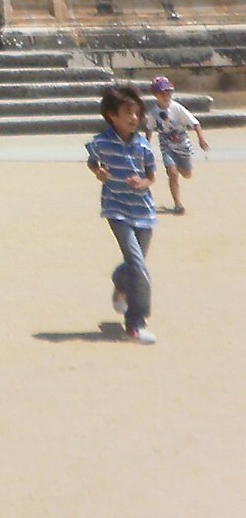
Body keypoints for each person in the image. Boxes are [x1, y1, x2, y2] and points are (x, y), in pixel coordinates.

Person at [87, 84, 159, 342]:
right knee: (138, 265)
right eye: (128, 113)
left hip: (144, 212)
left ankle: (119, 280)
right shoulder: (101, 142)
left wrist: (144, 183)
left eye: (137, 113)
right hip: (116, 209)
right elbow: (93, 160)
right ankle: (136, 323)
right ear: (111, 115)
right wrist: (98, 171)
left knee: (133, 265)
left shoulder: (143, 146)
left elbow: (152, 175)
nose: (134, 118)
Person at [147, 76, 209, 214]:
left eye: (169, 92)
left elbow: (195, 123)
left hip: (182, 143)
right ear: (156, 95)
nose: (167, 95)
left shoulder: (177, 108)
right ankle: (178, 204)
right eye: (163, 92)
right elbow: (149, 128)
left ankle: (181, 167)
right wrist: (146, 145)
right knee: (172, 173)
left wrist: (201, 139)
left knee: (187, 174)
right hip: (166, 144)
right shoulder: (153, 112)